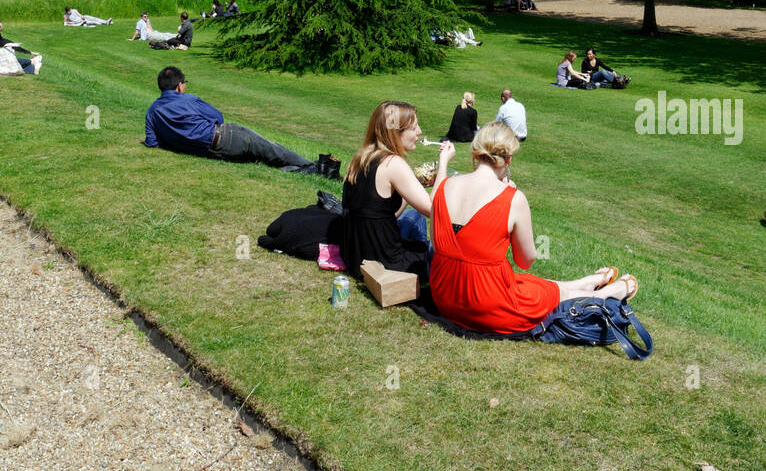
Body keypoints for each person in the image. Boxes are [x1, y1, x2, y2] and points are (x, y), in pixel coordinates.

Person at [429, 122, 637, 334]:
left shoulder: (444, 187)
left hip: (445, 296)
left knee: (528, 283)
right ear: (508, 159)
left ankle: (587, 282)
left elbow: (438, 244)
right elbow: (525, 260)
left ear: (476, 153)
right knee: (539, 293)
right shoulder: (512, 198)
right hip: (485, 305)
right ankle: (603, 295)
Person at [341, 102, 455, 280]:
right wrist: (443, 164)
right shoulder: (393, 163)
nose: (419, 131)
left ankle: (424, 256)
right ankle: (428, 269)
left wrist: (410, 190)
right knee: (449, 239)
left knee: (413, 216)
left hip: (356, 256)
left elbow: (384, 213)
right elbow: (435, 209)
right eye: (414, 127)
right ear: (395, 132)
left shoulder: (360, 159)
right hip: (385, 264)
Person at [145, 66, 334, 173]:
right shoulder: (189, 100)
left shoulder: (152, 112)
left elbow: (152, 142)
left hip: (211, 152)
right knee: (273, 149)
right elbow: (218, 117)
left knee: (262, 160)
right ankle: (318, 167)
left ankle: (314, 168)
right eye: (184, 83)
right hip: (226, 137)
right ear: (179, 86)